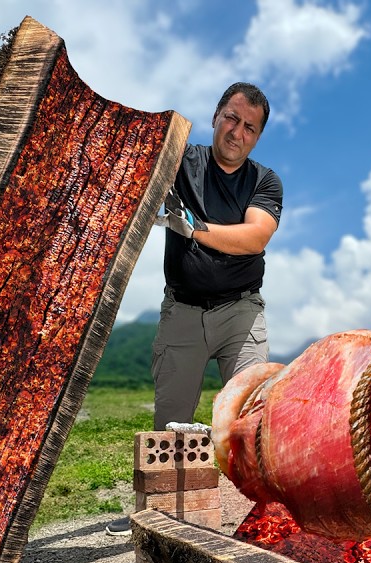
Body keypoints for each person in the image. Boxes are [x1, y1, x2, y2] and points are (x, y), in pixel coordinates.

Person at [107, 82, 282, 537]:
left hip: (240, 314)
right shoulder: (182, 160)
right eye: (231, 118)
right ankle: (161, 528)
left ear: (257, 137)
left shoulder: (264, 181)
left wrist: (193, 229)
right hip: (182, 312)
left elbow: (254, 238)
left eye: (249, 127)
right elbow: (130, 165)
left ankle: (267, 525)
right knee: (168, 433)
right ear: (215, 115)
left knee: (253, 419)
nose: (236, 132)